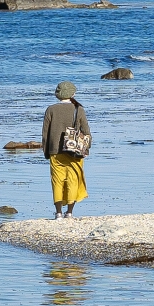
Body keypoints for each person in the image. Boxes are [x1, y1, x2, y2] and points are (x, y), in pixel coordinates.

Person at [43, 81, 90, 220]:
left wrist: (46, 151)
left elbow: (45, 134)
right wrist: (86, 149)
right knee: (73, 181)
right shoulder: (79, 109)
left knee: (57, 181)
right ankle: (69, 213)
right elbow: (86, 132)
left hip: (55, 151)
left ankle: (58, 213)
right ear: (73, 94)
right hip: (74, 150)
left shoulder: (50, 109)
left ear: (57, 95)